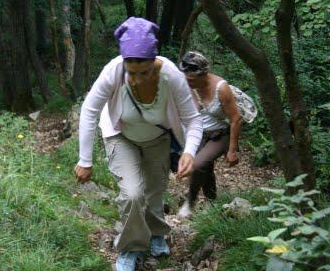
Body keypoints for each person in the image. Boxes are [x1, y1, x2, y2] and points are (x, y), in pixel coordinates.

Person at [74, 18, 203, 271]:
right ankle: (131, 247)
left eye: (143, 72)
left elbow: (193, 120)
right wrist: (85, 159)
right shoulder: (113, 71)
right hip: (121, 136)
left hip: (158, 140)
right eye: (131, 72)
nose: (135, 79)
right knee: (132, 194)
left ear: (154, 62)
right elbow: (89, 111)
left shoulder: (171, 76)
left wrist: (189, 151)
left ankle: (156, 232)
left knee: (155, 190)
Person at [177, 51, 243, 219]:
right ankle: (212, 201)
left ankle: (189, 202)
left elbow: (236, 119)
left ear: (203, 75)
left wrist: (232, 150)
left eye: (191, 80)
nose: (187, 82)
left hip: (221, 134)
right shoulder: (188, 83)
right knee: (205, 168)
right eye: (185, 78)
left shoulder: (221, 88)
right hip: (198, 133)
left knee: (198, 164)